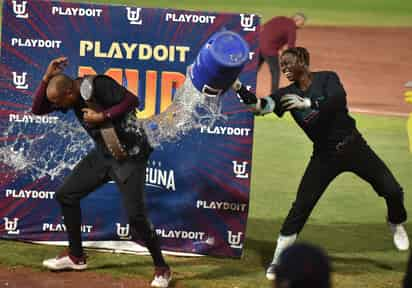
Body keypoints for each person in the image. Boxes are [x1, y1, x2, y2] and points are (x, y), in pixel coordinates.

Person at [232, 47, 409, 281]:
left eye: (288, 63)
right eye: (282, 65)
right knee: (301, 207)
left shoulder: (328, 78)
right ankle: (278, 260)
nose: (283, 68)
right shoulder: (285, 94)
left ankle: (395, 221)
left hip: (355, 146)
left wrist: (306, 103)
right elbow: (259, 107)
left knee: (392, 190)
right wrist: (238, 88)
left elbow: (336, 101)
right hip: (324, 157)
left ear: (303, 62)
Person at [31, 57, 171, 288]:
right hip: (103, 155)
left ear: (69, 92)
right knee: (66, 195)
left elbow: (133, 100)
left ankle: (162, 269)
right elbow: (38, 109)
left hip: (129, 157)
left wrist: (102, 116)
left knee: (136, 217)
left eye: (60, 102)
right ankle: (76, 257)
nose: (60, 107)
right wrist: (46, 77)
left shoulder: (97, 84)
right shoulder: (68, 95)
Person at [259, 13, 306, 94]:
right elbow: (291, 47)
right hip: (270, 50)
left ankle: (242, 88)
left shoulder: (279, 18)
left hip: (258, 45)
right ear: (297, 20)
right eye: (302, 23)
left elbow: (264, 27)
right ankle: (274, 94)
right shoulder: (292, 27)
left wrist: (278, 46)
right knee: (275, 72)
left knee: (253, 70)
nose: (302, 26)